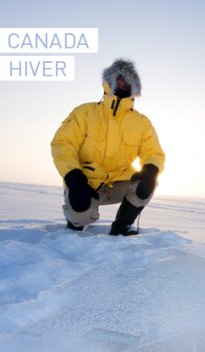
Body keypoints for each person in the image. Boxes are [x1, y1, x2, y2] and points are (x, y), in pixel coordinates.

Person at [51, 59, 165, 236]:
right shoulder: (84, 112)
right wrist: (73, 176)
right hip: (85, 182)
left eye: (128, 80)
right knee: (80, 211)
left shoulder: (141, 122)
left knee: (147, 182)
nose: (123, 83)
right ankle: (75, 225)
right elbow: (63, 144)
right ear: (109, 81)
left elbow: (153, 152)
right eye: (120, 78)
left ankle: (121, 227)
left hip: (119, 182)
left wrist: (150, 170)